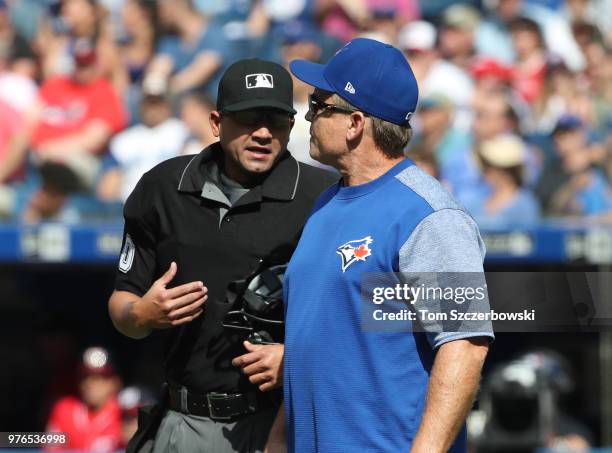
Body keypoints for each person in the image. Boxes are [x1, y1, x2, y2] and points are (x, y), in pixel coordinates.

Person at [264, 38, 494, 452]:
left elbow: (465, 347)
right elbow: (313, 346)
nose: (308, 116)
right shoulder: (326, 203)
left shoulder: (430, 216)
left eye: (319, 105)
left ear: (355, 124)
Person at [107, 58, 336, 453]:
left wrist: (300, 360)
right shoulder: (162, 187)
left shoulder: (325, 197)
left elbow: (369, 314)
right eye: (248, 119)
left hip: (282, 424)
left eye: (276, 121)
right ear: (216, 123)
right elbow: (122, 301)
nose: (263, 133)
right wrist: (142, 314)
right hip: (183, 420)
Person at [46, 346, 122, 452]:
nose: (90, 383)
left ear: (115, 381)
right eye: (85, 376)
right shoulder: (64, 409)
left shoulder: (125, 413)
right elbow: (51, 449)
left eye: (101, 376)